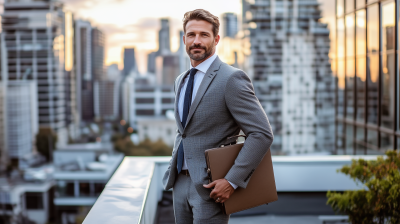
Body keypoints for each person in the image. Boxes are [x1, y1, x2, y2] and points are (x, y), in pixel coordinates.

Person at [162, 9, 274, 224]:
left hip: (210, 187)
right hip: (178, 184)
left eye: (204, 35)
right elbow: (184, 132)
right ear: (184, 39)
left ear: (216, 39)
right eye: (192, 35)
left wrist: (231, 181)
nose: (197, 41)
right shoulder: (181, 80)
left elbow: (261, 134)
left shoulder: (231, 79)